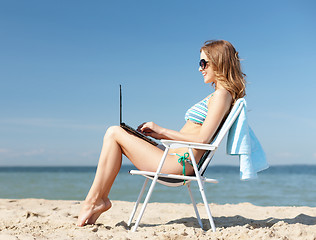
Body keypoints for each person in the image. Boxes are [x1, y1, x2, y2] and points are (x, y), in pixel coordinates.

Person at [77, 40, 246, 227]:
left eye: (203, 63)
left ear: (219, 61)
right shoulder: (219, 95)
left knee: (114, 132)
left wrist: (161, 130)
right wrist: (160, 136)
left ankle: (95, 201)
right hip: (173, 157)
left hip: (177, 165)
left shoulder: (222, 95)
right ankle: (97, 200)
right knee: (118, 134)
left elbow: (202, 139)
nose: (200, 69)